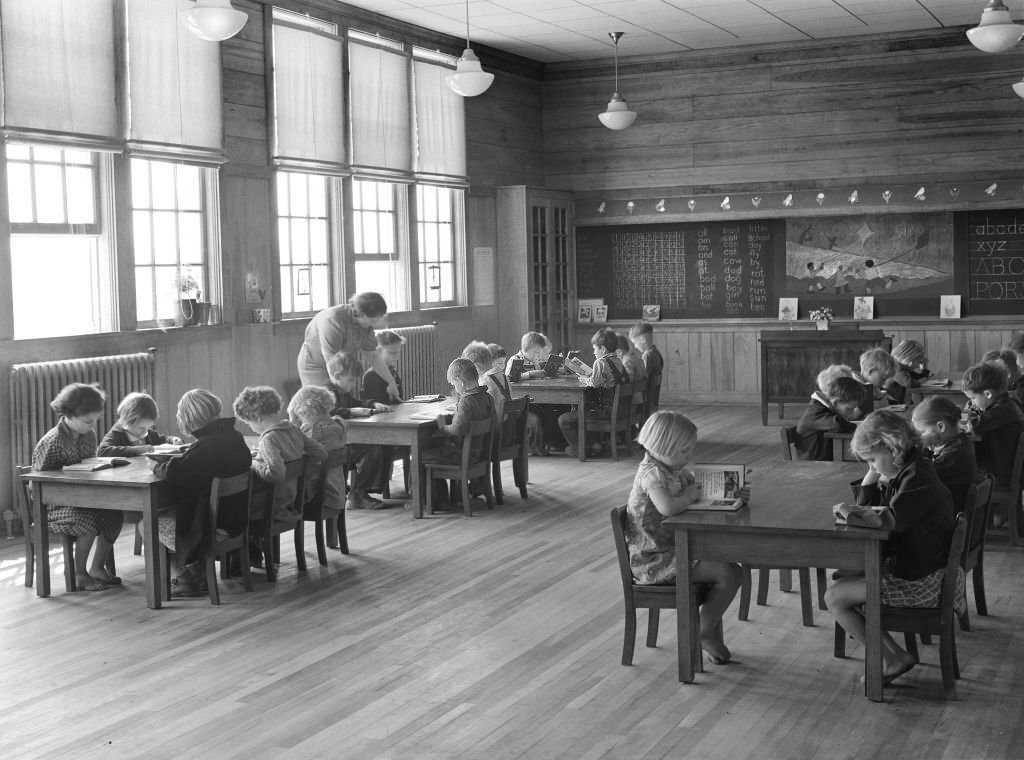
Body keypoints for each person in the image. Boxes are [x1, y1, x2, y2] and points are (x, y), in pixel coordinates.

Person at [825, 410, 958, 686]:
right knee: (843, 578)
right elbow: (875, 508)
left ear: (890, 445)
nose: (872, 466)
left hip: (923, 582)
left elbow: (892, 519)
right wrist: (871, 476)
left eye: (873, 460)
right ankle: (892, 653)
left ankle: (894, 658)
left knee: (835, 597)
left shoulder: (918, 476)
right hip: (921, 567)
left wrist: (850, 514)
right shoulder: (912, 468)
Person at [623, 410, 742, 664]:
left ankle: (705, 630)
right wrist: (688, 497)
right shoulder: (651, 474)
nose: (689, 457)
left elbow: (696, 490)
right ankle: (703, 632)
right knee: (727, 573)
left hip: (675, 549)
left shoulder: (672, 469)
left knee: (731, 569)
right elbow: (667, 507)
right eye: (684, 452)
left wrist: (733, 494)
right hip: (655, 561)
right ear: (661, 447)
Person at [149, 389, 251, 597]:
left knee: (147, 522)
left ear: (189, 419)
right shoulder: (235, 436)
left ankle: (186, 577)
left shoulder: (207, 445)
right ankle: (197, 571)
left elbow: (177, 472)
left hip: (211, 523)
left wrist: (157, 467)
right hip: (235, 517)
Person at [32, 383, 122, 591]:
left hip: (83, 498)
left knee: (113, 515)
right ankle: (78, 573)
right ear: (69, 415)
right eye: (88, 421)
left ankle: (97, 568)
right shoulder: (53, 441)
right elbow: (38, 482)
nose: (92, 426)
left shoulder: (88, 435)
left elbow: (90, 463)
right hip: (52, 505)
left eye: (95, 420)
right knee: (87, 523)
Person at [234, 386, 327, 522]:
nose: (251, 428)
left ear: (256, 417)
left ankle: (249, 541)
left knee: (235, 506)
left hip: (272, 504)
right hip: (292, 499)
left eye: (249, 423)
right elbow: (322, 453)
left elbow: (276, 475)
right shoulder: (293, 429)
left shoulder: (268, 439)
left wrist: (254, 463)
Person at [297, 292, 399, 401]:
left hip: (340, 364)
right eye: (373, 320)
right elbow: (331, 360)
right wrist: (339, 390)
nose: (375, 324)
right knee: (323, 402)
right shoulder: (333, 320)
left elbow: (373, 356)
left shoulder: (365, 325)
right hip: (316, 364)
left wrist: (391, 382)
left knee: (342, 403)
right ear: (361, 314)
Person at [421, 358, 495, 507]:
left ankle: (432, 501)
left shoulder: (466, 402)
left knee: (421, 455)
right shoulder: (487, 398)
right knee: (437, 450)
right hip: (480, 455)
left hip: (463, 456)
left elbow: (457, 429)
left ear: (460, 381)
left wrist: (442, 427)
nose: (454, 388)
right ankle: (453, 497)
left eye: (454, 384)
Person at [326, 352, 389, 507]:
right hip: (332, 447)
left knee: (376, 447)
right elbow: (329, 412)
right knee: (372, 450)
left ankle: (359, 492)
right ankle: (358, 494)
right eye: (350, 380)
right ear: (336, 375)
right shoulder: (327, 392)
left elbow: (356, 402)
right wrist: (351, 411)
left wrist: (373, 404)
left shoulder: (342, 391)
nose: (353, 384)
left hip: (344, 442)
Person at [288, 385, 348, 546]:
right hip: (336, 491)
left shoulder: (313, 431)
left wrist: (293, 426)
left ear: (304, 411)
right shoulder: (338, 425)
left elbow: (295, 457)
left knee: (272, 497)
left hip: (317, 495)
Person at [557, 328, 628, 458]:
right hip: (620, 410)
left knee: (565, 419)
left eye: (595, 348)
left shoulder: (600, 362)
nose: (594, 352)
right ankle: (594, 444)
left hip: (605, 411)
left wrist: (584, 378)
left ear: (603, 349)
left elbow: (594, 383)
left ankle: (580, 449)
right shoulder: (618, 361)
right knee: (580, 410)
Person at [911, 395, 979, 511]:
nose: (921, 437)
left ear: (941, 426)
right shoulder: (960, 443)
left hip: (947, 515)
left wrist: (916, 449)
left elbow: (919, 479)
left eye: (923, 432)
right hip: (949, 509)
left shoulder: (954, 455)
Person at [961, 361, 1024, 487]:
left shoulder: (1001, 411)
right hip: (1002, 470)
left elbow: (966, 429)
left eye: (972, 398)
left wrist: (966, 411)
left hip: (997, 476)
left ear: (988, 394)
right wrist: (969, 410)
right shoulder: (1009, 403)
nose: (971, 403)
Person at [795, 374, 865, 461]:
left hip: (825, 460)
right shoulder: (815, 412)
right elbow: (838, 424)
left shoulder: (825, 408)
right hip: (812, 465)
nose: (853, 412)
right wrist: (860, 427)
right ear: (835, 402)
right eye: (849, 409)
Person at [98, 392, 178, 457]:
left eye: (149, 427)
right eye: (142, 428)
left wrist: (173, 440)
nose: (146, 431)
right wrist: (138, 450)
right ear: (128, 421)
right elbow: (102, 451)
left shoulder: (147, 433)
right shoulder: (117, 434)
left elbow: (162, 439)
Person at [363, 329, 406, 404]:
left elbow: (399, 401)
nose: (397, 357)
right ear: (378, 352)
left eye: (398, 352)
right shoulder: (371, 376)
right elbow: (377, 406)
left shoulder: (393, 372)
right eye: (392, 353)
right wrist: (389, 395)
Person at [886, 339, 929, 404]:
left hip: (903, 402)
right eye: (918, 362)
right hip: (896, 405)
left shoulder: (904, 368)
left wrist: (924, 368)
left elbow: (918, 377)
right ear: (910, 362)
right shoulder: (897, 370)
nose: (918, 366)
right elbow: (909, 384)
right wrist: (923, 380)